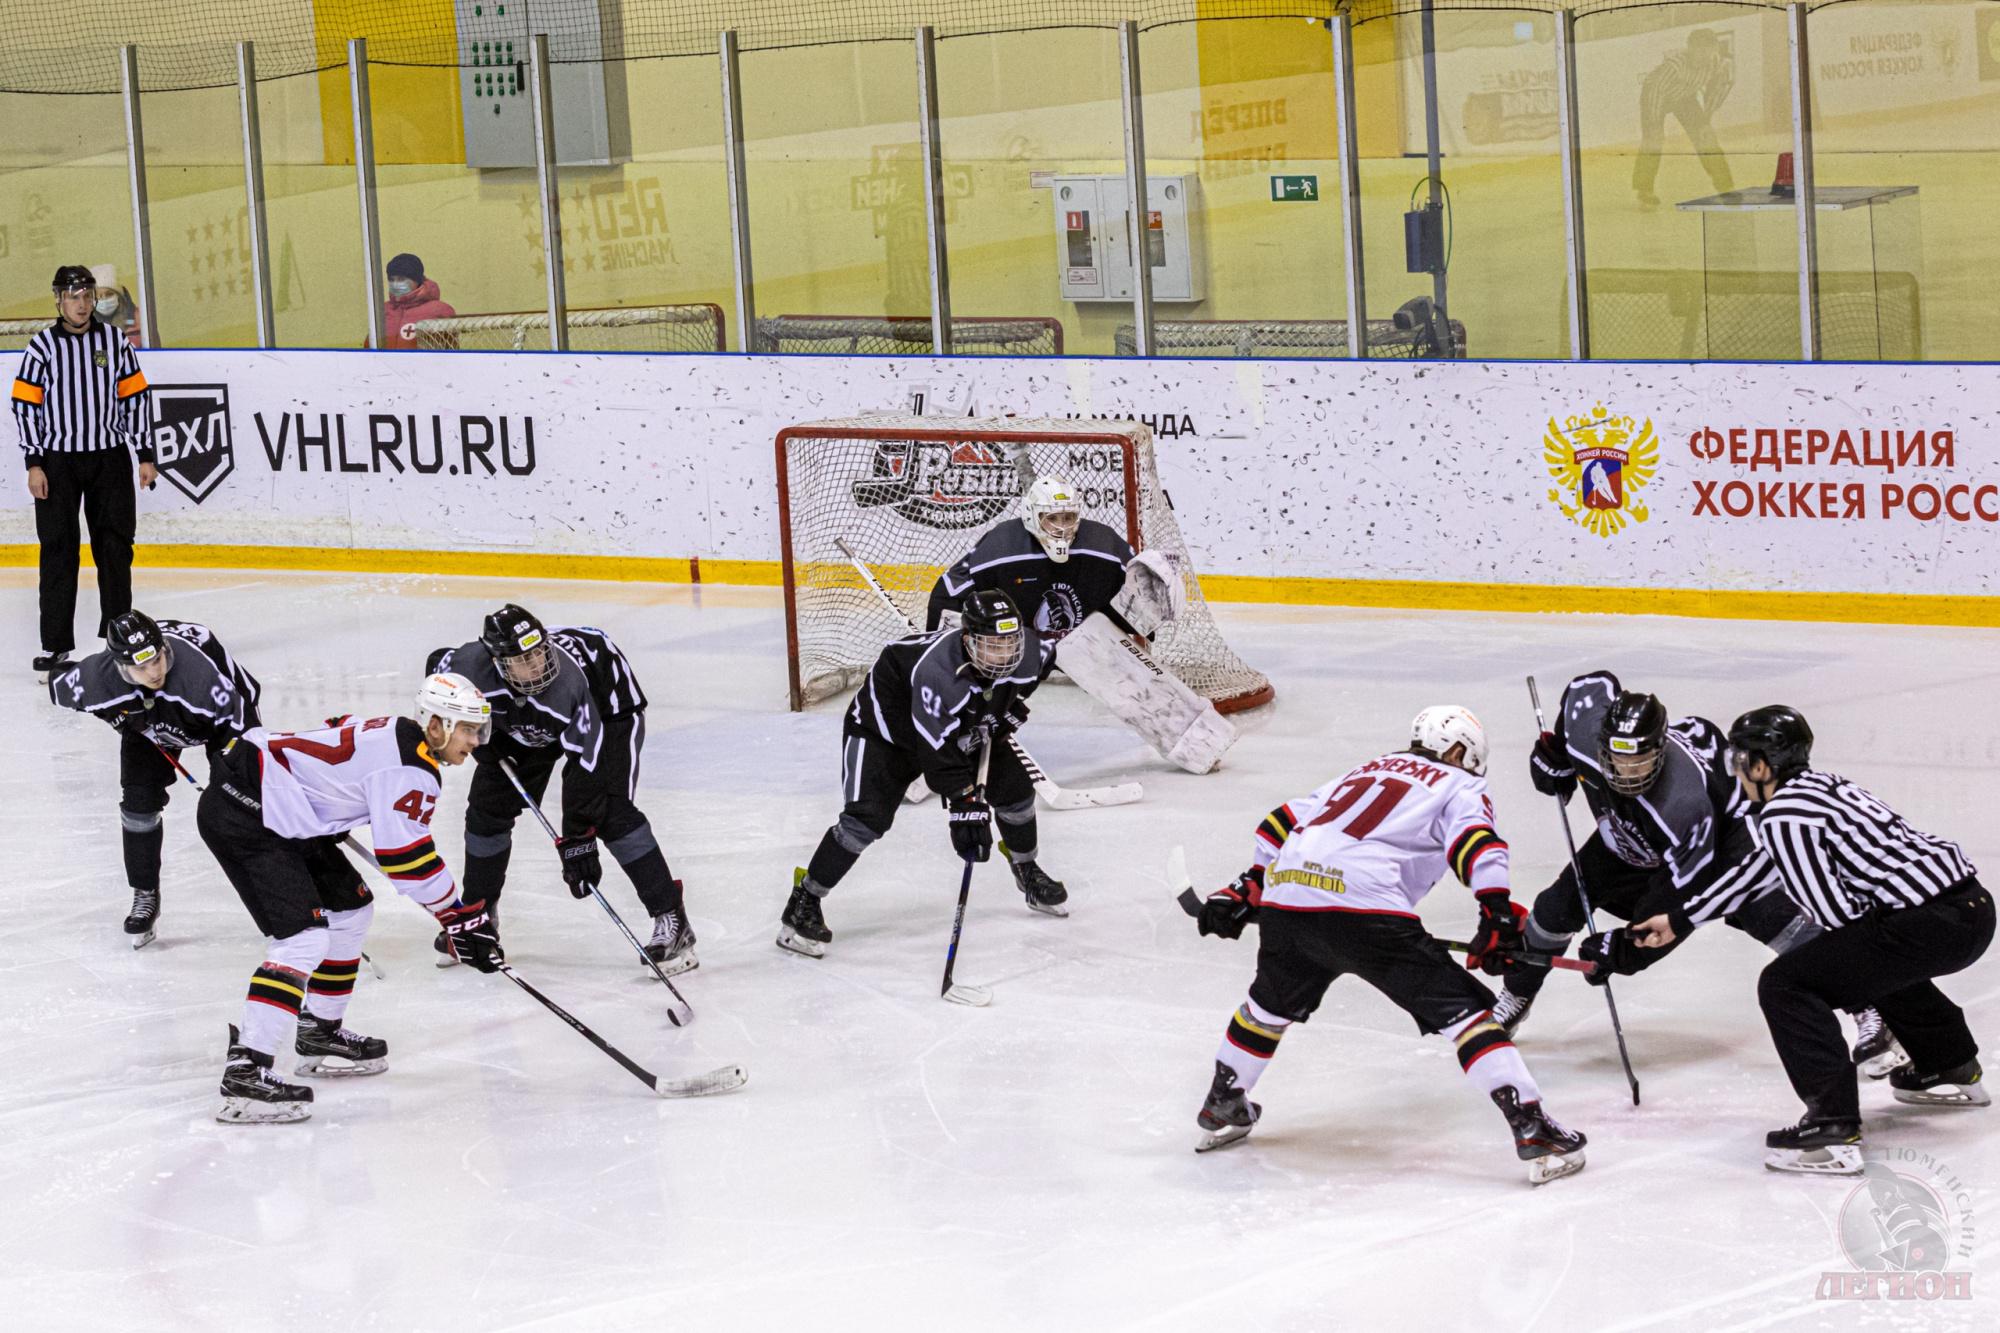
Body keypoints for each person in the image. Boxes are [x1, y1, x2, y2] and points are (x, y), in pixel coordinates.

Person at [1186, 706, 1586, 1184]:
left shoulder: (1365, 768)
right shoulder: (1459, 782)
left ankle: (1223, 1101)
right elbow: (1477, 842)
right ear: (1459, 750)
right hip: (1367, 906)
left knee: (1267, 1004)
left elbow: (1281, 820)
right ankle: (1534, 1127)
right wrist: (1495, 909)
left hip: (1289, 899)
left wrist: (1249, 886)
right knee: (1465, 1015)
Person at [1631, 707, 1992, 1174]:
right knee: (1878, 956)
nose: (1734, 771)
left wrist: (1847, 965)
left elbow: (1835, 918)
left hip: (1930, 926)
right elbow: (1757, 869)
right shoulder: (1822, 787)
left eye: (1738, 759)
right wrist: (1681, 919)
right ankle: (1949, 1064)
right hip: (1972, 911)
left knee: (1787, 984)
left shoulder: (1784, 815)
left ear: (1761, 765)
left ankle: (1833, 1125)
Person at [197, 673, 501, 1123]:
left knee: (351, 909)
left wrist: (328, 797)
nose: (475, 741)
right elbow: (406, 858)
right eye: (467, 729)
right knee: (302, 939)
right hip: (247, 813)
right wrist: (456, 915)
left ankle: (318, 1029)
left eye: (480, 730)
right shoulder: (412, 768)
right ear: (435, 725)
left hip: (282, 806)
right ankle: (247, 1068)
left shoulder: (401, 732)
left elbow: (337, 726)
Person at [1492, 671, 1836, 1033]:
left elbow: (1679, 901)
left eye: (1639, 761)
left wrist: (1625, 949)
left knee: (1774, 918)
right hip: (1631, 836)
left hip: (1721, 840)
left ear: (1659, 750)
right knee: (1554, 909)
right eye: (1618, 759)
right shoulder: (1586, 737)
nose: (1627, 773)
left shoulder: (1683, 804)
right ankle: (1518, 993)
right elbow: (1588, 686)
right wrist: (1559, 754)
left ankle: (1867, 1004)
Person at [780, 589, 1060, 957]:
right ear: (967, 641)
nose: (1003, 655)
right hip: (885, 733)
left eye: (1010, 643)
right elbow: (937, 757)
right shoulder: (937, 674)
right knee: (865, 820)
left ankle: (1027, 869)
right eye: (992, 645)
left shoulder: (1033, 652)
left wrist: (1004, 713)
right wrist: (964, 805)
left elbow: (1028, 680)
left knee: (1016, 792)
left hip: (954, 723)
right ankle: (805, 900)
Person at [428, 605, 694, 973]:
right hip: (528, 715)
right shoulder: (471, 668)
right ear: (498, 662)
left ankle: (671, 919)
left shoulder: (568, 685)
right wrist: (480, 735)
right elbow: (436, 673)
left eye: (540, 653)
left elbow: (587, 768)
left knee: (609, 811)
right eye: (524, 660)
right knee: (487, 810)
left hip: (610, 708)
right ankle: (480, 920)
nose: (537, 665)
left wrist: (578, 836)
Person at [926, 474, 1234, 774]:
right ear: (1033, 517)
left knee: (1135, 675)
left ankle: (1197, 741)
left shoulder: (1102, 545)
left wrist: (1153, 598)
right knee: (969, 689)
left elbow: (1127, 605)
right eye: (1052, 519)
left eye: (1068, 518)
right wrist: (941, 648)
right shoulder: (1000, 548)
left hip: (1082, 637)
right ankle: (934, 751)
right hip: (1017, 642)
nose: (1061, 529)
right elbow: (948, 595)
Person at [48, 610, 261, 947]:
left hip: (210, 722)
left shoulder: (202, 682)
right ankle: (145, 892)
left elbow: (247, 704)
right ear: (119, 667)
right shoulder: (99, 678)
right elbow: (57, 684)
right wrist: (115, 716)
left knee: (235, 804)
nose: (154, 671)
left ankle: (277, 889)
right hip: (147, 724)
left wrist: (240, 775)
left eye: (158, 660)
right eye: (141, 667)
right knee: (138, 805)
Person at [11, 264, 156, 678]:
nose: (82, 303)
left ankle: (120, 636)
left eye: (87, 295)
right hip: (58, 462)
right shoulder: (42, 348)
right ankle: (55, 645)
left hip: (109, 457)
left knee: (114, 547)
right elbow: (25, 406)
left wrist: (145, 454)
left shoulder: (113, 341)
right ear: (58, 300)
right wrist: (34, 462)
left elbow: (134, 398)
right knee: (58, 549)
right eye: (73, 296)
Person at [1633, 28, 1735, 208]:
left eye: (1709, 50)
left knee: (1706, 137)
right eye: (1700, 50)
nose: (1704, 56)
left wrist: (1705, 122)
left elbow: (1715, 93)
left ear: (1714, 50)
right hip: (1656, 97)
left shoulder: (1717, 64)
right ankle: (1645, 191)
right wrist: (1654, 124)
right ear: (1690, 48)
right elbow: (1654, 91)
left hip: (1684, 97)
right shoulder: (1675, 65)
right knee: (1653, 141)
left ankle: (1725, 187)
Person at [379, 253, 456, 351]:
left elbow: (450, 350)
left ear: (417, 281)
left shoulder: (439, 310)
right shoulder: (382, 309)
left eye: (401, 279)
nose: (395, 284)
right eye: (391, 279)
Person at [89, 264, 143, 348]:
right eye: (98, 296)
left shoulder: (141, 318)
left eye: (109, 294)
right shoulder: (85, 324)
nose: (104, 299)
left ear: (119, 295)